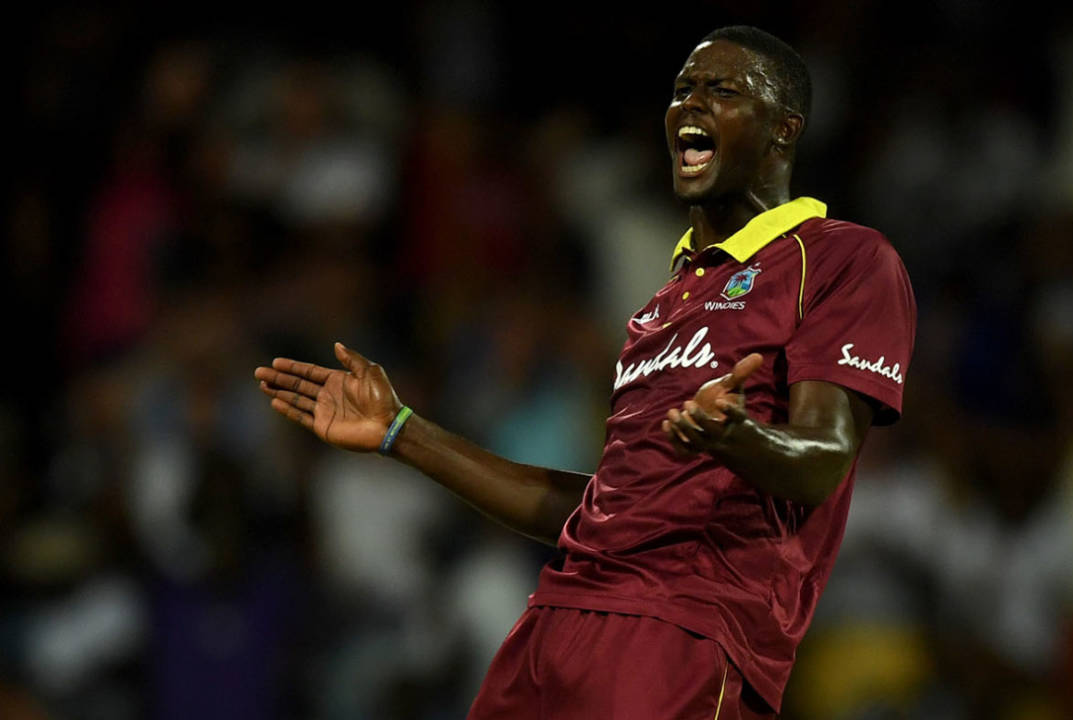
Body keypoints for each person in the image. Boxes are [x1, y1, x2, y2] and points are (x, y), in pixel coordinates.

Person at [255, 26, 915, 720]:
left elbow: (824, 460)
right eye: (682, 89)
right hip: (552, 624)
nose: (690, 104)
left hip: (682, 634)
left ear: (784, 130)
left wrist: (738, 438)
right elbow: (604, 509)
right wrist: (402, 432)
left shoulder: (842, 258)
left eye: (721, 90)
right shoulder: (661, 306)